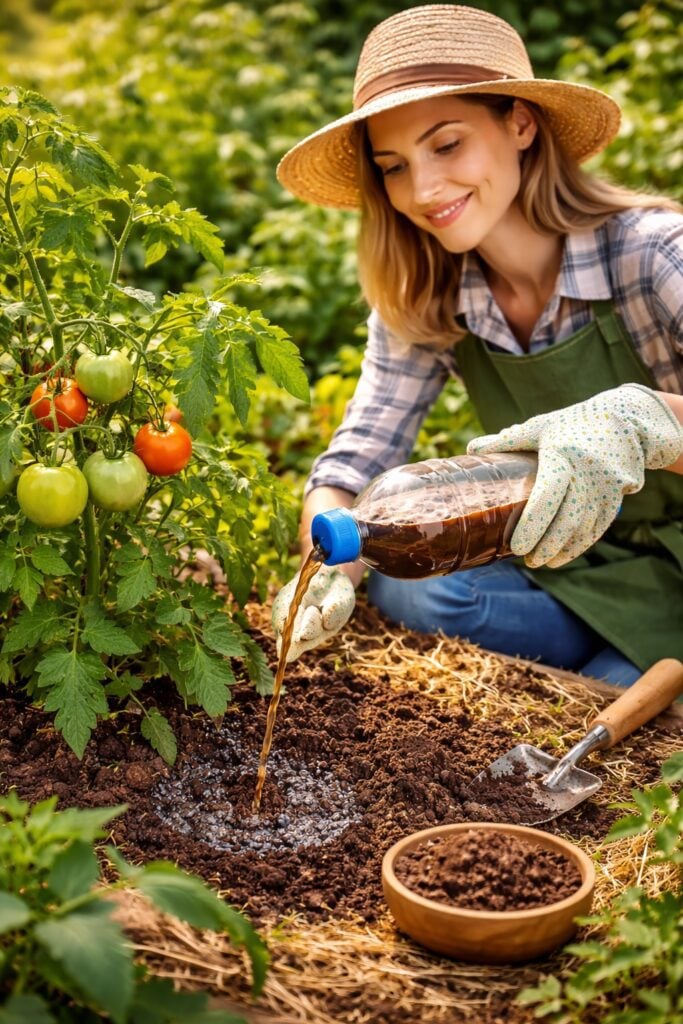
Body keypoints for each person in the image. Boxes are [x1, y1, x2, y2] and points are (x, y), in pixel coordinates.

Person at [271, 3, 683, 687]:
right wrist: (326, 561)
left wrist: (648, 422)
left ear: (520, 122)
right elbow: (357, 457)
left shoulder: (651, 255)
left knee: (615, 685)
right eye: (393, 166)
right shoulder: (430, 292)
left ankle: (626, 662)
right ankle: (625, 656)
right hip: (582, 560)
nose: (423, 190)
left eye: (446, 144)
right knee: (411, 587)